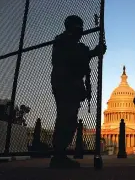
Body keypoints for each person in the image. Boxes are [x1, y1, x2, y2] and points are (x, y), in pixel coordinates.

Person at [50, 15, 106, 169]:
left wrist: (93, 52)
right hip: (65, 84)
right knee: (66, 118)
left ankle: (59, 154)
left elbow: (79, 56)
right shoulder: (63, 41)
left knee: (68, 118)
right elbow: (73, 58)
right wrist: (91, 52)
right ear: (73, 28)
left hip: (68, 85)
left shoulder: (71, 44)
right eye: (79, 28)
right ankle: (59, 155)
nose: (81, 32)